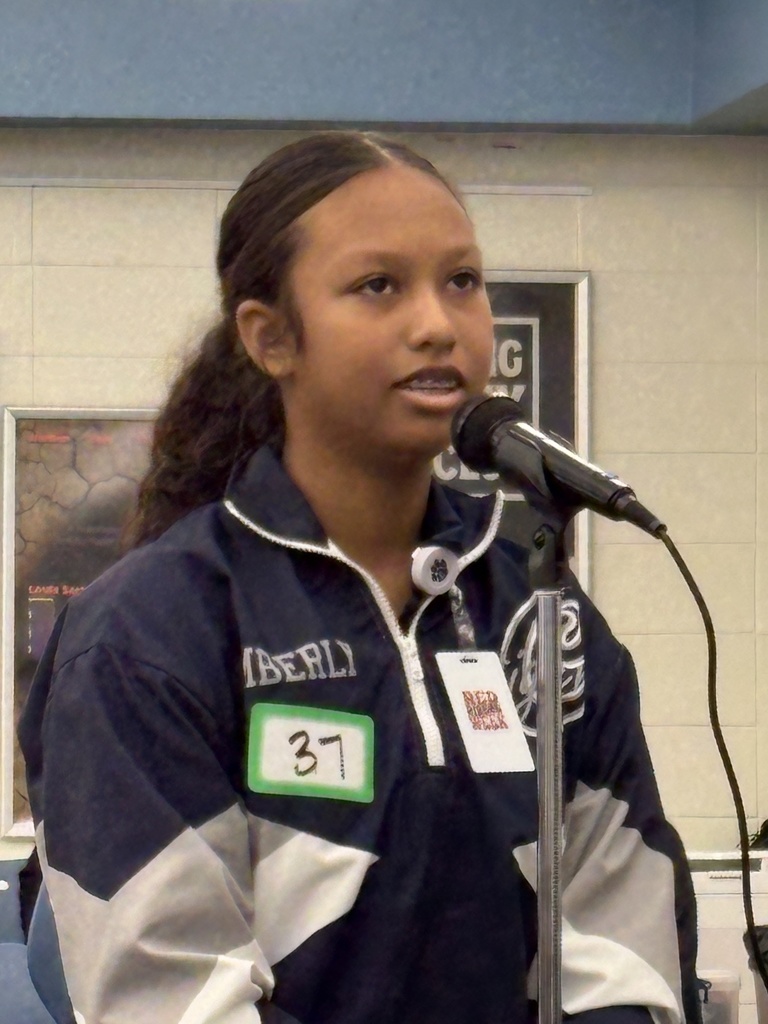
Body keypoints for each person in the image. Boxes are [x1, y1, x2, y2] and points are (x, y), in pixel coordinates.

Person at [19, 131, 700, 1024]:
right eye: (378, 286)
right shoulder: (148, 636)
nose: (436, 323)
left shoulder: (540, 616)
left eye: (462, 281)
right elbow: (173, 995)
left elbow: (624, 947)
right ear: (269, 338)